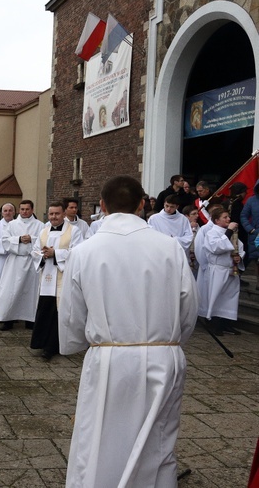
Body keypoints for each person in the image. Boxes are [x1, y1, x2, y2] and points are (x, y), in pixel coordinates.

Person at [58, 175, 197, 488]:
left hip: (109, 360)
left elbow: (70, 315)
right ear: (142, 205)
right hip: (163, 358)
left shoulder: (84, 252)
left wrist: (83, 343)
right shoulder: (169, 248)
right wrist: (170, 342)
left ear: (103, 206)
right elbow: (188, 306)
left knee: (101, 437)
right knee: (157, 440)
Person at [30, 202, 84, 360]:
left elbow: (78, 252)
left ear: (64, 214)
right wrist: (43, 254)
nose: (53, 217)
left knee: (58, 312)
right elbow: (34, 251)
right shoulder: (43, 232)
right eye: (51, 214)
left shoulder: (74, 231)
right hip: (46, 277)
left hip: (63, 278)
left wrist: (56, 254)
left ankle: (53, 346)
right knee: (45, 310)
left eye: (57, 214)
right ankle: (41, 343)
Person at [0, 200, 44, 331]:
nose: (24, 212)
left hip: (32, 261)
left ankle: (30, 319)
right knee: (10, 291)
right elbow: (4, 240)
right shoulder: (12, 225)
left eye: (27, 209)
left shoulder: (40, 225)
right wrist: (19, 239)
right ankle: (7, 319)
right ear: (19, 210)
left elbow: (44, 240)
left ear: (32, 210)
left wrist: (31, 239)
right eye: (22, 209)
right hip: (15, 261)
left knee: (31, 292)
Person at [203, 207, 244, 335]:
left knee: (230, 298)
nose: (228, 219)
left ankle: (227, 323)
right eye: (225, 217)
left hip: (231, 269)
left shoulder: (231, 232)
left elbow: (240, 247)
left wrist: (239, 257)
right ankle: (214, 324)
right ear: (216, 220)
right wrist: (230, 231)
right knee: (217, 296)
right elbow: (217, 247)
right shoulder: (212, 233)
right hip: (218, 269)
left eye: (228, 217)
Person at [241, 179, 259, 283]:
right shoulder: (251, 200)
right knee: (257, 260)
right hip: (256, 234)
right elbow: (244, 216)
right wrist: (250, 229)